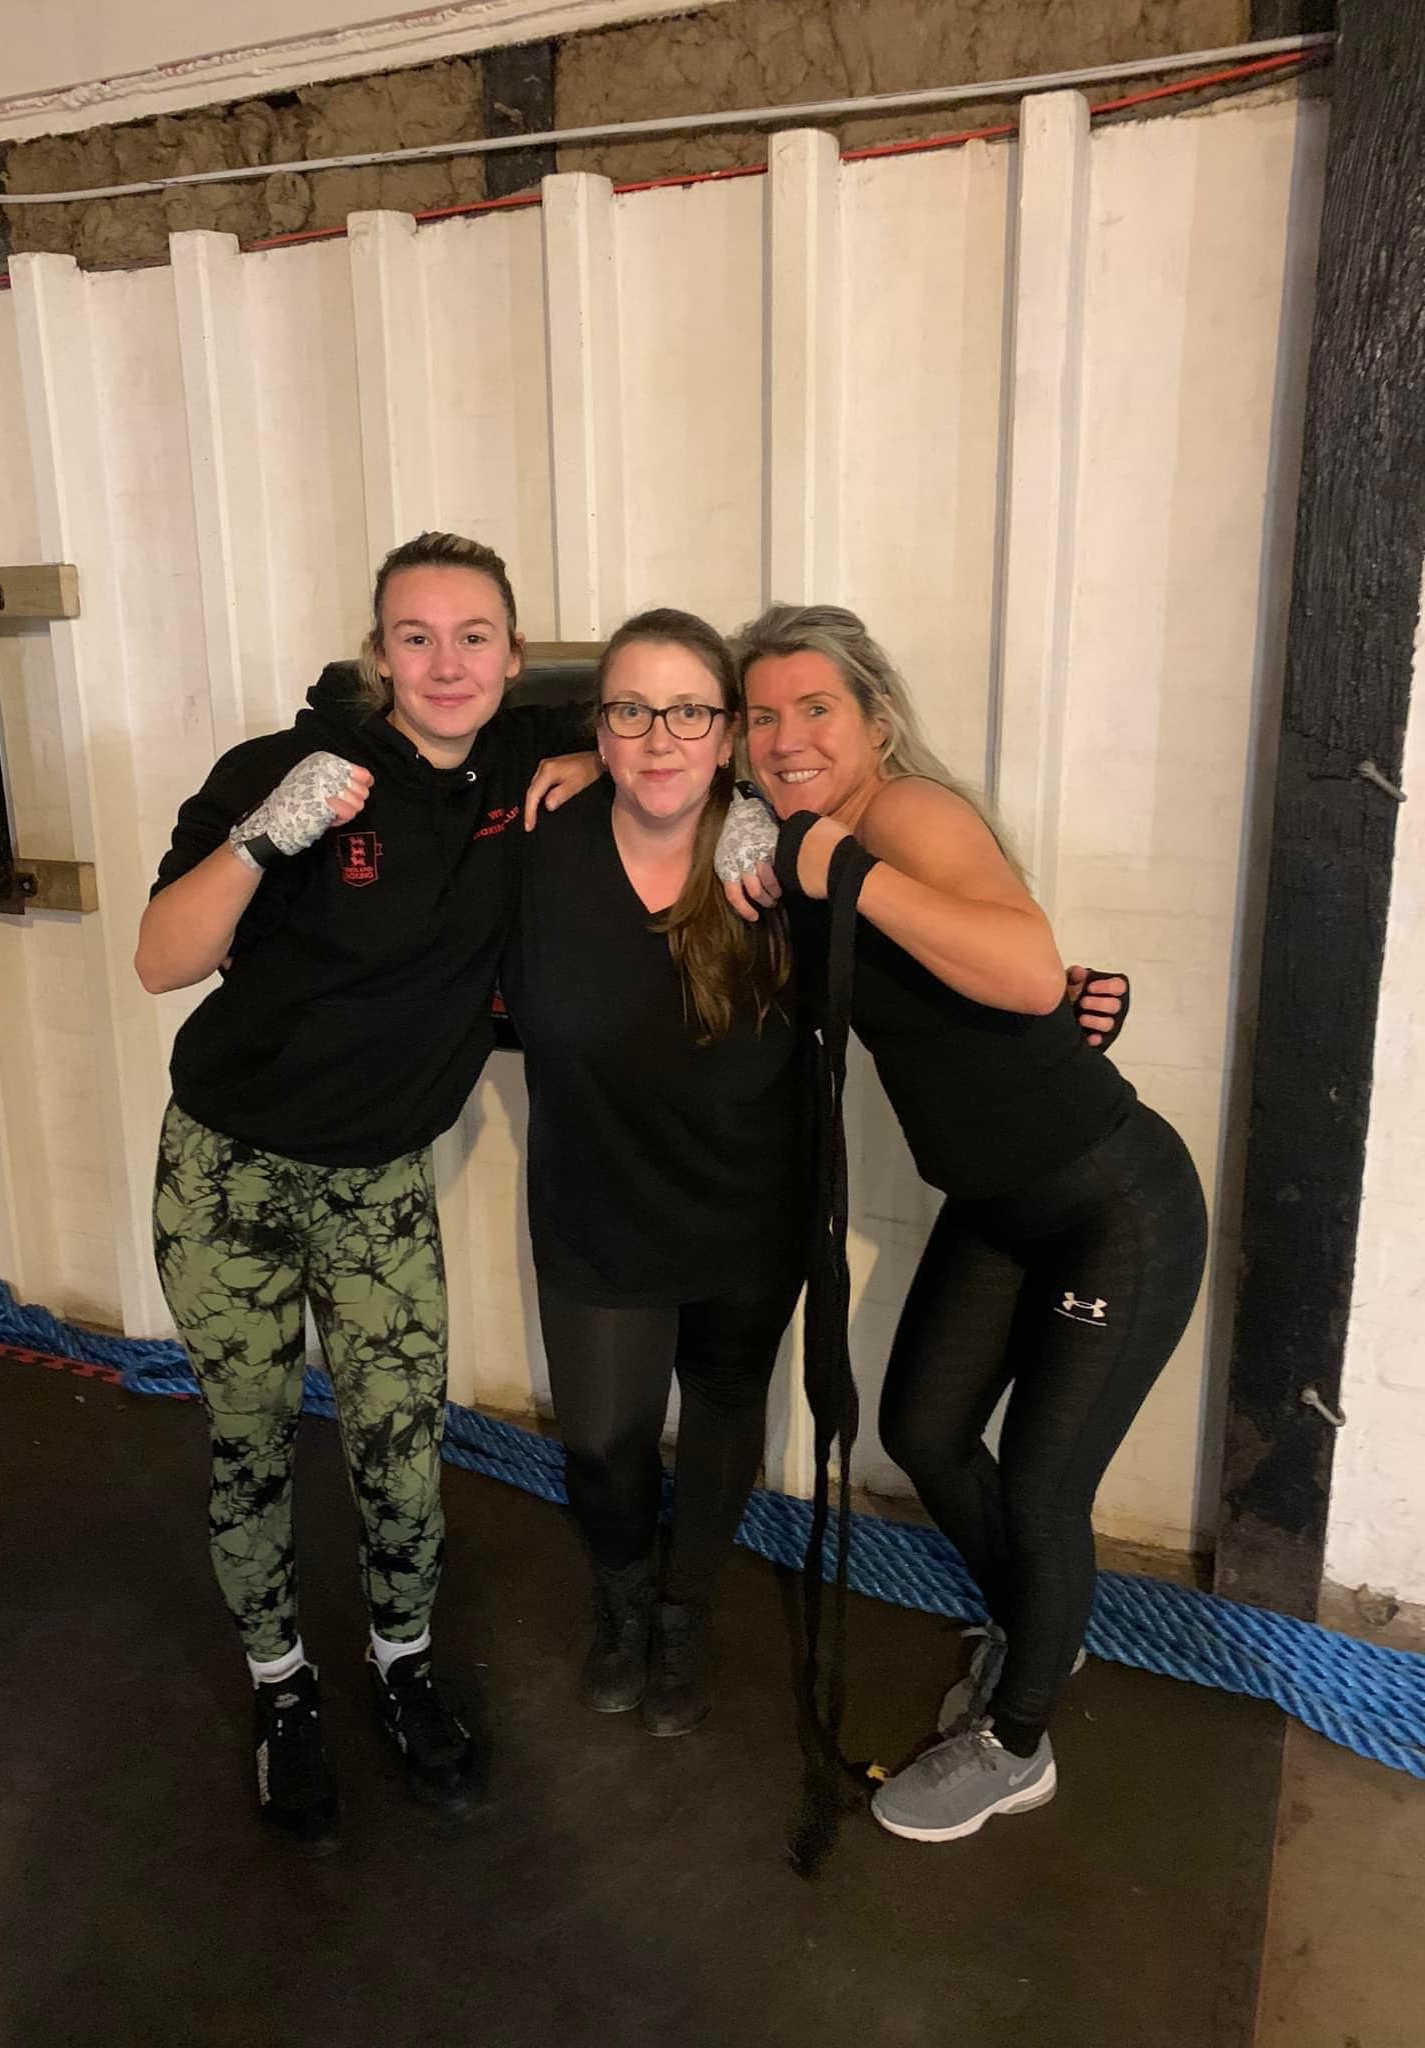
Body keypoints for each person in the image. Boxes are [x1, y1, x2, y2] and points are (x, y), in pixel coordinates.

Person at [136, 531, 596, 1851]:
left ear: (514, 655)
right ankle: (281, 1686)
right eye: (416, 636)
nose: (446, 663)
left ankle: (402, 1663)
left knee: (401, 1445)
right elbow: (161, 959)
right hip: (228, 1170)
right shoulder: (284, 770)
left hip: (379, 1183)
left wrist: (596, 757)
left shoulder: (523, 759)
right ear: (377, 652)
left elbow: (682, 715)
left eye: (474, 637)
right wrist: (261, 840)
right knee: (252, 1437)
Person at [719, 603, 1206, 1844]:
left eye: (815, 708)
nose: (786, 736)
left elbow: (1027, 968)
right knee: (927, 1431)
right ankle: (1040, 1625)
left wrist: (847, 870)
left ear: (876, 719)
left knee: (1043, 1485)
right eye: (761, 715)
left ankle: (1017, 1742)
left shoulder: (903, 815)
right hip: (997, 1202)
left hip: (1112, 1205)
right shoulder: (800, 835)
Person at [499, 610, 808, 1737]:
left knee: (723, 1413)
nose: (661, 736)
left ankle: (684, 1609)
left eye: (689, 712)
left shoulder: (778, 859)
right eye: (631, 711)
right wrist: (588, 761)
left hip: (748, 1207)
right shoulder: (540, 840)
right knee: (603, 1438)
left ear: (728, 732)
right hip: (598, 1204)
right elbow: (448, 724)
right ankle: (623, 1596)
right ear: (597, 724)